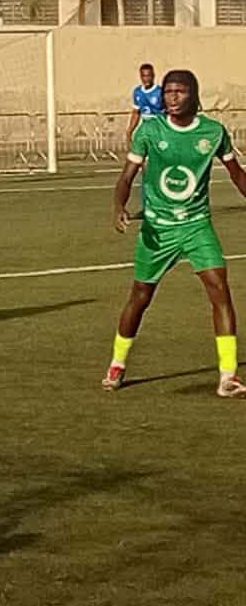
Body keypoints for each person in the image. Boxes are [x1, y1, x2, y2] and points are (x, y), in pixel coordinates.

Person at [105, 69, 246, 398]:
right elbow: (126, 177)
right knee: (141, 297)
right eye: (168, 92)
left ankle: (228, 376)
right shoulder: (150, 130)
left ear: (193, 96)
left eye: (179, 92)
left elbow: (236, 173)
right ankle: (117, 364)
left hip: (197, 226)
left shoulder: (213, 132)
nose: (172, 97)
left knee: (220, 290)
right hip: (158, 229)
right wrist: (119, 207)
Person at [126, 62, 163, 143]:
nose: (146, 79)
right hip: (145, 127)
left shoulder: (160, 92)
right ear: (141, 77)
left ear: (153, 76)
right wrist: (129, 130)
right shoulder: (137, 92)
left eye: (148, 76)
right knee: (138, 146)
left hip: (159, 127)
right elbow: (136, 113)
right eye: (144, 76)